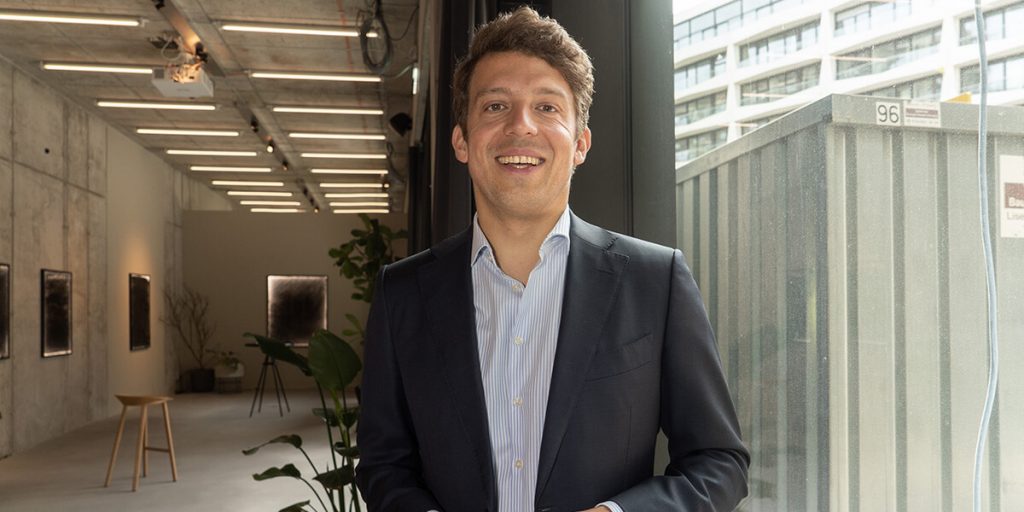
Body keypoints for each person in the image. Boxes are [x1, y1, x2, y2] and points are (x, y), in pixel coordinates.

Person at [355, 6, 749, 512]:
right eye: (495, 106)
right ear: (461, 141)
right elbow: (384, 463)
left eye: (546, 107)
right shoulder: (402, 294)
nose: (521, 126)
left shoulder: (656, 282)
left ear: (580, 143)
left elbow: (718, 461)